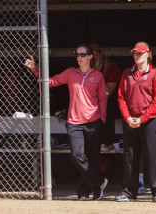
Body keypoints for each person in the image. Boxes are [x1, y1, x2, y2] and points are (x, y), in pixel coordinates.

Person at [24, 43, 108, 201]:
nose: (79, 58)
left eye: (83, 55)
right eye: (77, 54)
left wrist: (102, 118)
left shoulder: (98, 76)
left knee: (92, 158)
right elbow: (50, 82)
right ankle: (98, 183)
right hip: (74, 122)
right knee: (77, 156)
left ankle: (85, 191)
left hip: (93, 122)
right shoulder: (71, 73)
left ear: (90, 56)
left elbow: (103, 99)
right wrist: (34, 68)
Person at [116, 42, 156, 203]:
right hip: (130, 120)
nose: (137, 56)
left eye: (140, 53)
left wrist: (142, 118)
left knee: (154, 156)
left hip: (150, 120)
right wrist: (128, 117)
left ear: (148, 54)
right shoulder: (126, 73)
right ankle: (129, 190)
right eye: (135, 53)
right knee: (130, 156)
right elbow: (121, 98)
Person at [91, 44, 122, 151]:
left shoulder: (111, 67)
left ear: (101, 55)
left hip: (111, 101)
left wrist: (98, 73)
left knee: (105, 105)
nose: (93, 59)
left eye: (95, 55)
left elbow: (108, 91)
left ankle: (106, 142)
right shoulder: (85, 68)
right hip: (92, 100)